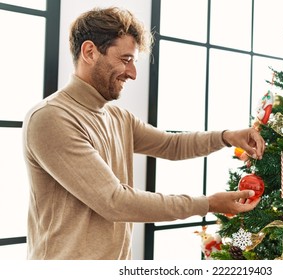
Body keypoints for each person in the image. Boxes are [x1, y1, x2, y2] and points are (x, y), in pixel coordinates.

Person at [22, 7, 265, 260]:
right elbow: (114, 201)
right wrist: (208, 204)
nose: (133, 73)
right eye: (125, 60)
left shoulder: (117, 117)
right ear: (90, 52)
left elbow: (171, 145)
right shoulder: (51, 118)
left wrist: (226, 137)